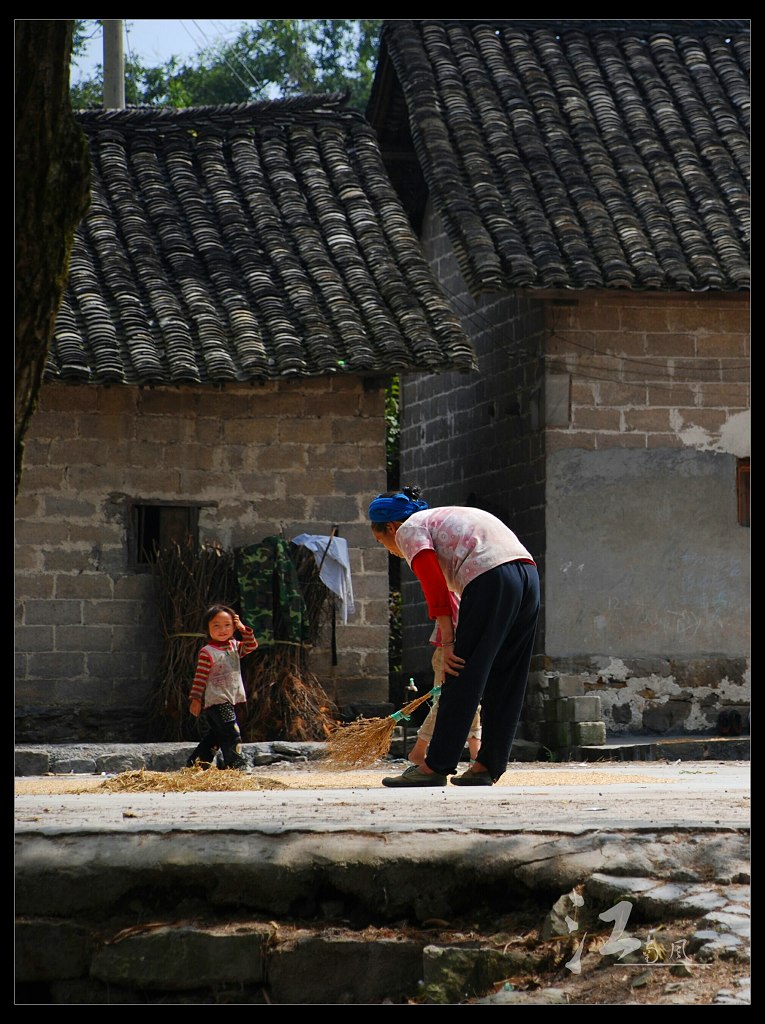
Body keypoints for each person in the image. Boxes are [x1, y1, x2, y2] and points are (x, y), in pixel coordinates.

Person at [370, 487, 539, 788]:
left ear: (391, 528)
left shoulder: (409, 530)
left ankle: (435, 766)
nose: (390, 549)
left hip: (489, 576)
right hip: (527, 577)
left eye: (382, 542)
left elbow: (434, 587)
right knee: (508, 677)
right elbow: (457, 596)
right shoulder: (444, 519)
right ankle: (487, 765)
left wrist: (448, 645)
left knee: (460, 673)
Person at [407, 597, 482, 768]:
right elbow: (453, 620)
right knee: (444, 702)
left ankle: (475, 754)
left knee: (472, 701)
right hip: (451, 650)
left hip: (464, 649)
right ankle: (419, 750)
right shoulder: (452, 585)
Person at [186, 604, 258, 771]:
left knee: (216, 736)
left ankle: (194, 766)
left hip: (231, 699)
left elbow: (252, 645)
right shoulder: (208, 652)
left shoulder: (234, 646)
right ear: (208, 628)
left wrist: (243, 628)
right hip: (218, 701)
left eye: (227, 625)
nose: (222, 630)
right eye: (216, 626)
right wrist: (195, 699)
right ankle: (237, 767)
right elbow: (200, 678)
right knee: (232, 733)